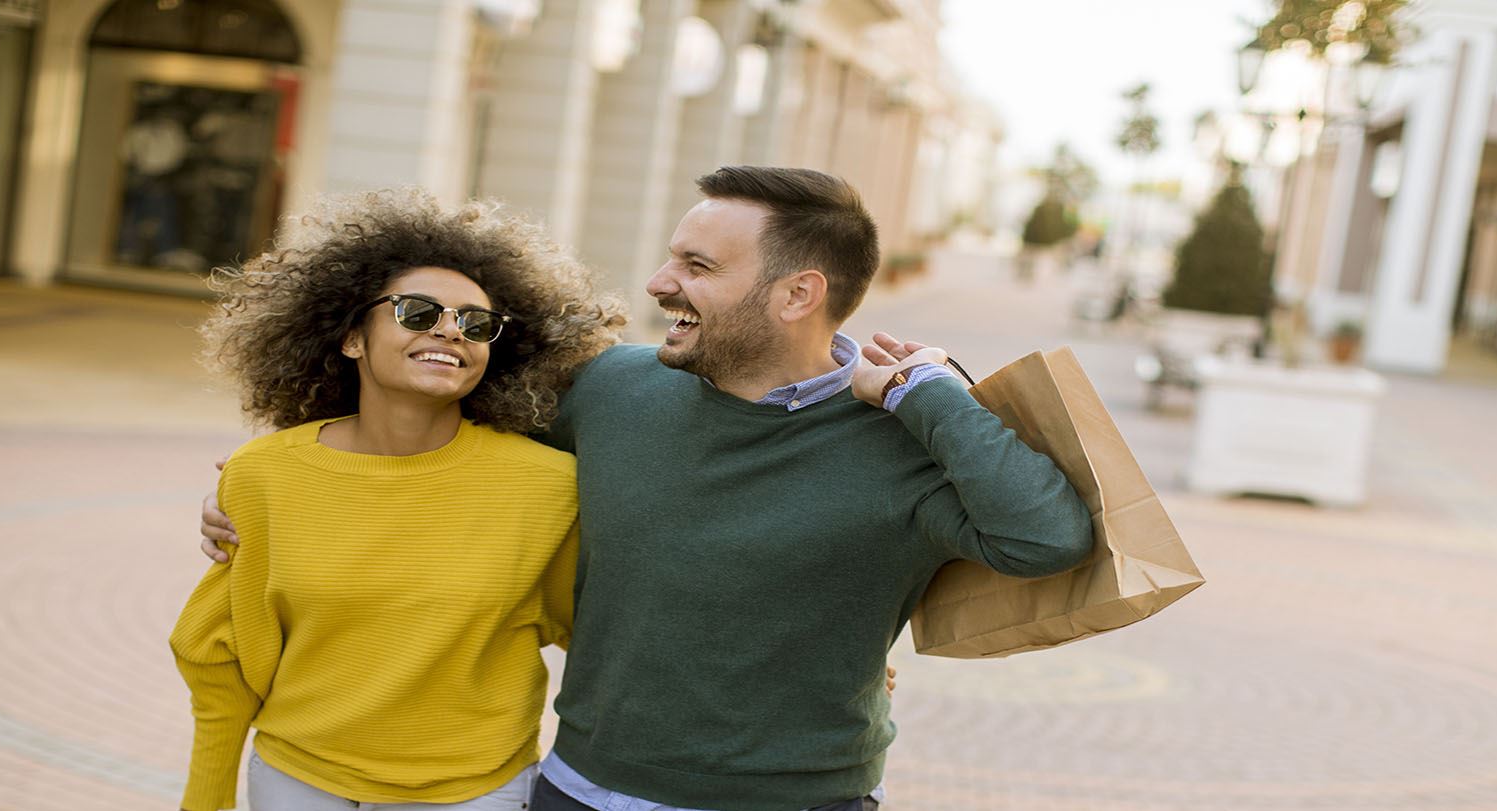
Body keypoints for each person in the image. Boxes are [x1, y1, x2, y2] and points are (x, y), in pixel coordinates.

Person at [201, 167, 1095, 810]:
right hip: (576, 790)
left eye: (698, 267)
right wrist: (276, 489)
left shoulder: (902, 436)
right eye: (674, 258)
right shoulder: (613, 388)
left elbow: (1045, 538)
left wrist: (924, 390)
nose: (661, 282)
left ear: (797, 294)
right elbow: (436, 445)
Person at [172, 189, 624, 811]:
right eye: (417, 312)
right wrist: (206, 800)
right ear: (352, 337)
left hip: (472, 792)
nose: (449, 330)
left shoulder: (548, 488)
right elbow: (218, 656)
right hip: (295, 782)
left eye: (476, 323)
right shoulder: (263, 475)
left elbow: (606, 635)